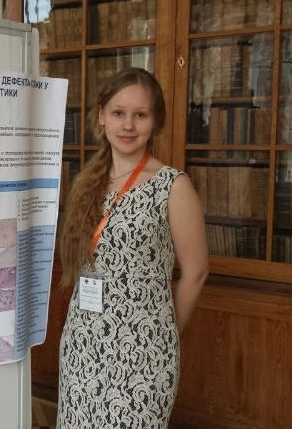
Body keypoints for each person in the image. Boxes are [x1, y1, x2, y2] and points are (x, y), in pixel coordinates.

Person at [56, 68, 208, 428]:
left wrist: (161, 331)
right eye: (118, 113)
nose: (128, 125)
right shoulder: (88, 181)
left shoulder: (172, 186)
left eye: (140, 115)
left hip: (142, 352)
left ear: (155, 121)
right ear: (101, 116)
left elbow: (196, 272)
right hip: (83, 343)